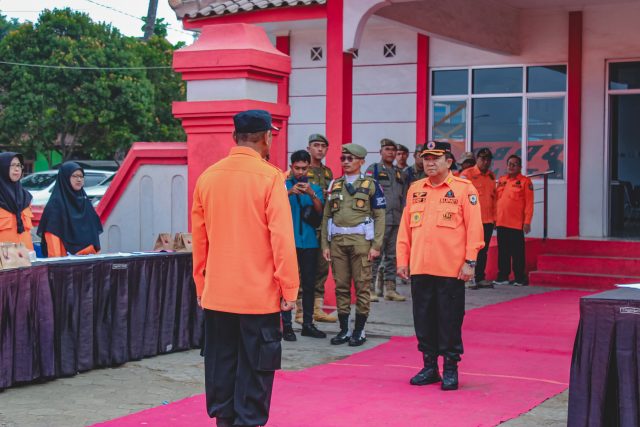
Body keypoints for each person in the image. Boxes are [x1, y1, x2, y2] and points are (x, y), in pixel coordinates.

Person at [191, 109, 299, 427]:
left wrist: (202, 288)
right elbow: (281, 240)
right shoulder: (270, 178)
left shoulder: (208, 177)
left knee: (221, 368)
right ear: (266, 137)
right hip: (258, 298)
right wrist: (289, 288)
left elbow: (200, 243)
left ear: (235, 137)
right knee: (254, 374)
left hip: (218, 296)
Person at [397, 141, 484, 391]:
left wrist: (470, 261)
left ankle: (450, 368)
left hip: (451, 269)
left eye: (436, 158)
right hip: (421, 268)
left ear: (449, 161)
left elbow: (475, 228)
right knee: (423, 319)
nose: (430, 163)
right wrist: (403, 260)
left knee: (449, 320)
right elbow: (405, 229)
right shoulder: (415, 189)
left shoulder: (463, 189)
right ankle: (429, 366)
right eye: (426, 158)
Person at [321, 143, 386, 347]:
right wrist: (325, 244)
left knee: (362, 286)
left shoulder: (371, 184)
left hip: (361, 243)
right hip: (338, 242)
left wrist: (376, 245)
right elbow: (326, 217)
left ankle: (359, 330)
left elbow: (380, 217)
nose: (346, 162)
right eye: (343, 159)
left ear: (361, 161)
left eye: (350, 159)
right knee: (341, 286)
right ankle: (343, 329)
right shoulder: (335, 184)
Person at [281, 150, 327, 341]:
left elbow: (321, 212)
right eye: (297, 168)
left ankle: (308, 323)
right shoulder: (281, 186)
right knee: (285, 284)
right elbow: (272, 206)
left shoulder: (315, 187)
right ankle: (287, 326)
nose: (300, 172)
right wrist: (290, 192)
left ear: (309, 167)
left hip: (309, 241)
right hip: (287, 241)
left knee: (309, 284)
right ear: (291, 167)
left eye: (304, 168)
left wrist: (312, 195)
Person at [365, 138, 407, 302]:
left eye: (393, 150)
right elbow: (367, 192)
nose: (390, 152)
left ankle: (390, 289)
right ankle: (369, 289)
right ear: (380, 151)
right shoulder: (373, 169)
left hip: (397, 219)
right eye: (387, 149)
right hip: (380, 220)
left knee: (392, 256)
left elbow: (403, 195)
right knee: (375, 255)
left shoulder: (399, 172)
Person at [36, 162, 102, 257]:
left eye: (81, 176)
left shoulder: (84, 202)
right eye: (74, 176)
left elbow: (94, 236)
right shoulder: (56, 206)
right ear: (65, 178)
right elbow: (53, 237)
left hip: (89, 262)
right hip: (66, 264)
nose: (79, 179)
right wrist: (58, 265)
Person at [305, 133, 337, 323]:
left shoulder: (327, 173)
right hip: (305, 225)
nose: (319, 149)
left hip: (323, 226)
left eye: (323, 146)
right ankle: (301, 310)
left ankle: (317, 309)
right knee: (303, 269)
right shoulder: (301, 168)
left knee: (321, 268)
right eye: (316, 145)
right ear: (309, 148)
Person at [493, 155, 534, 287]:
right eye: (509, 164)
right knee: (503, 252)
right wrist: (494, 218)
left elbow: (529, 204)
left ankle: (519, 278)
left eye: (514, 164)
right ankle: (503, 276)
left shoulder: (525, 182)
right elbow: (496, 201)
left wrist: (527, 222)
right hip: (501, 222)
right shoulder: (502, 180)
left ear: (520, 167)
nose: (511, 167)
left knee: (517, 253)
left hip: (516, 224)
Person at [460, 148, 496, 289]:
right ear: (477, 159)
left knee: (483, 250)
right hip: (471, 220)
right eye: (482, 159)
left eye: (488, 159)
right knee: (469, 250)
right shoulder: (467, 175)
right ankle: (467, 278)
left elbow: (495, 200)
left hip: (487, 221)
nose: (485, 162)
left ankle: (480, 277)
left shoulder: (491, 177)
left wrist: (495, 219)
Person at [0, 152, 34, 249]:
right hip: (4, 260)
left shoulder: (26, 197)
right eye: (13, 165)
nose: (17, 169)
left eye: (19, 165)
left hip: (26, 258)